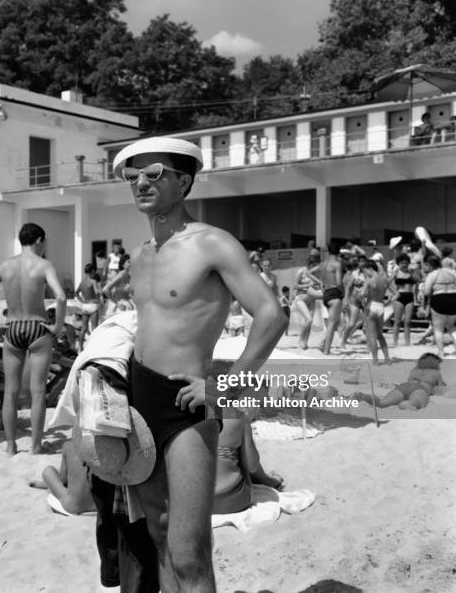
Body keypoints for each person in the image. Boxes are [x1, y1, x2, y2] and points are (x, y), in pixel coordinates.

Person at [112, 136, 286, 591]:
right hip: (138, 395)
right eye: (133, 176)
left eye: (154, 174)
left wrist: (225, 389)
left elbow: (271, 314)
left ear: (184, 181)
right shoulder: (139, 255)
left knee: (190, 552)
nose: (140, 184)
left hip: (187, 404)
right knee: (158, 532)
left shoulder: (212, 244)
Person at [0, 223, 67, 455]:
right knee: (37, 392)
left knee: (11, 392)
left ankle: (10, 445)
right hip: (37, 326)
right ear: (39, 241)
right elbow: (62, 297)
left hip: (13, 327)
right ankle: (35, 446)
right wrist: (57, 326)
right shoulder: (44, 265)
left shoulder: (6, 266)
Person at [214, 416, 283, 514]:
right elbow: (252, 466)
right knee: (241, 454)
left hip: (195, 502)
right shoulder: (234, 413)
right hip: (233, 501)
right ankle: (266, 480)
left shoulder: (187, 415)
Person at [355, 353, 445, 410]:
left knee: (382, 403)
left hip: (404, 386)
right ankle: (407, 404)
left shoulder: (414, 370)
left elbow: (409, 383)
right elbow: (441, 389)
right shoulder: (435, 372)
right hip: (419, 389)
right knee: (420, 403)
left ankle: (362, 396)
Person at [29, 441, 97, 514]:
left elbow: (63, 480)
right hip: (97, 506)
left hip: (74, 506)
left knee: (48, 471)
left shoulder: (68, 445)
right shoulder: (107, 447)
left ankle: (49, 485)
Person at [423, 254, 456, 358]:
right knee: (452, 328)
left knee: (438, 329)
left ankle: (441, 352)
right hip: (453, 299)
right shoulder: (453, 272)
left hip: (439, 299)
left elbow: (427, 292)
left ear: (429, 264)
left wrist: (424, 305)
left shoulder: (432, 275)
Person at [361, 260, 391, 365]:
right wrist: (388, 302)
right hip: (381, 306)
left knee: (372, 336)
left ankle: (375, 361)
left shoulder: (369, 280)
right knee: (380, 335)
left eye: (365, 271)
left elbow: (361, 294)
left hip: (371, 306)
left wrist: (362, 301)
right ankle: (387, 359)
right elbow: (395, 294)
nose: (364, 274)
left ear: (370, 269)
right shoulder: (384, 280)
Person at [315, 242, 343, 354]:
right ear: (339, 252)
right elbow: (339, 282)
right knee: (332, 324)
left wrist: (320, 282)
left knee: (334, 323)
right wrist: (344, 293)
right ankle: (326, 350)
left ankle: (322, 345)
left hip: (326, 294)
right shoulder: (337, 264)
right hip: (334, 293)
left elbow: (309, 273)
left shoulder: (322, 264)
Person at [292, 254, 322, 350]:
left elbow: (319, 286)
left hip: (312, 299)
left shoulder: (317, 274)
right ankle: (301, 340)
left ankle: (305, 342)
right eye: (314, 265)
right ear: (310, 264)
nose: (316, 267)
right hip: (300, 298)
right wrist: (308, 285)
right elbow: (295, 286)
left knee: (309, 322)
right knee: (309, 319)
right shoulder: (301, 271)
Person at [389, 253, 418, 347]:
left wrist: (416, 296)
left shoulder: (411, 272)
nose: (404, 264)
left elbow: (416, 283)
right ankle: (395, 342)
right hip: (399, 296)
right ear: (398, 263)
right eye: (402, 263)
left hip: (409, 296)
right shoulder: (396, 272)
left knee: (408, 321)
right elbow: (387, 282)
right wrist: (394, 292)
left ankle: (407, 342)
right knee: (397, 321)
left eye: (406, 263)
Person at [75, 263, 102, 352]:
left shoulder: (82, 282)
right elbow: (97, 292)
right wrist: (98, 299)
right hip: (93, 305)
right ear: (93, 271)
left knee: (84, 328)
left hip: (85, 306)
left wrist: (82, 301)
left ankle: (80, 347)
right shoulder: (93, 281)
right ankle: (94, 348)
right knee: (94, 328)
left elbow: (76, 293)